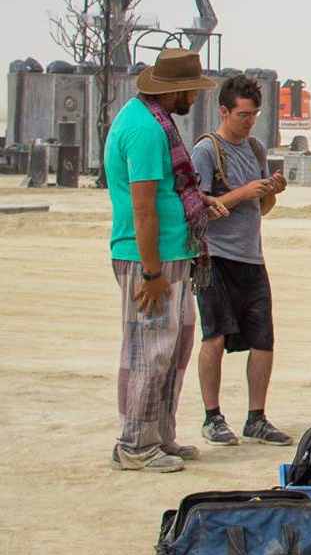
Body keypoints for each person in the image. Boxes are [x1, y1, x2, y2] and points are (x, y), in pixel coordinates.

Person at [103, 48, 228, 472]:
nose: (195, 97)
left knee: (173, 349)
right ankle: (135, 445)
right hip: (149, 260)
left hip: (174, 253)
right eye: (192, 90)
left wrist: (198, 202)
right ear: (176, 90)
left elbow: (164, 192)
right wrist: (152, 272)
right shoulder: (144, 129)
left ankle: (158, 436)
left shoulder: (157, 122)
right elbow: (142, 207)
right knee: (149, 351)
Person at [191, 73, 292, 446]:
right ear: (224, 111)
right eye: (243, 115)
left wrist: (270, 191)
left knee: (263, 340)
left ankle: (256, 417)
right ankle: (212, 417)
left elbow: (261, 208)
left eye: (254, 115)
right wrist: (244, 192)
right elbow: (197, 209)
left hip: (251, 257)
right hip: (215, 258)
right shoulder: (206, 151)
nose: (249, 122)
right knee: (214, 337)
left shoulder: (256, 149)